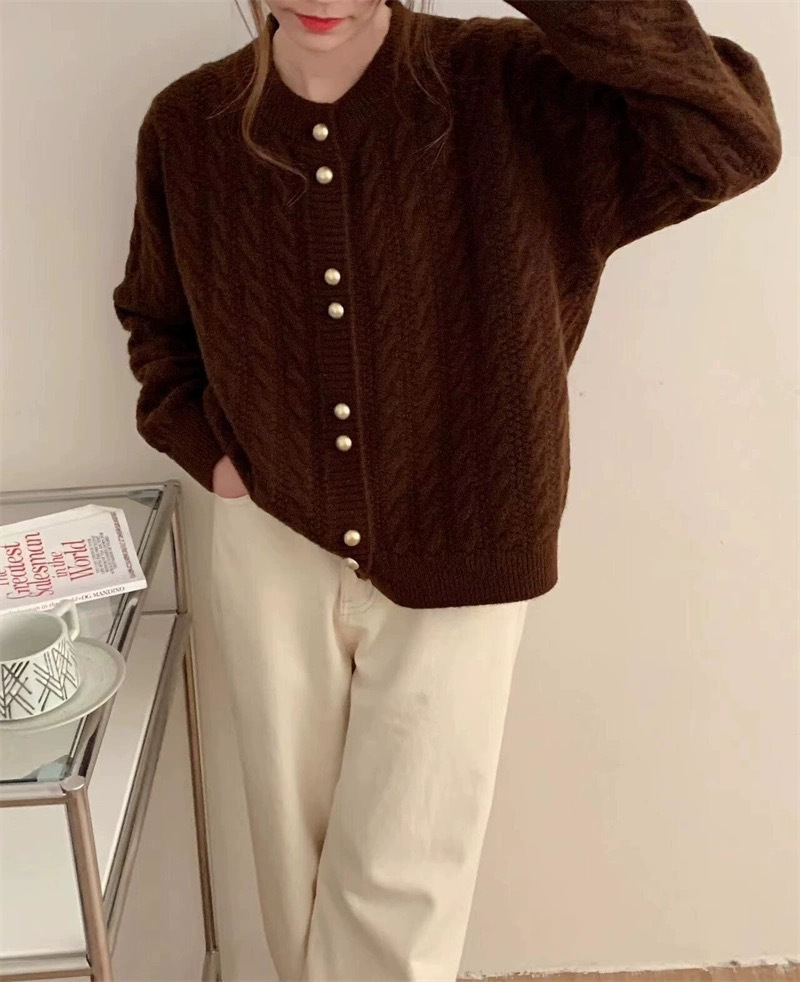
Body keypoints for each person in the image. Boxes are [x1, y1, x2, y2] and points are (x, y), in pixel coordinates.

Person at [112, 1, 781, 979]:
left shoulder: (508, 84)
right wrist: (212, 458)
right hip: (268, 536)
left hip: (465, 529)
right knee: (290, 863)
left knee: (406, 875)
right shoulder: (190, 124)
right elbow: (156, 324)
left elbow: (726, 137)